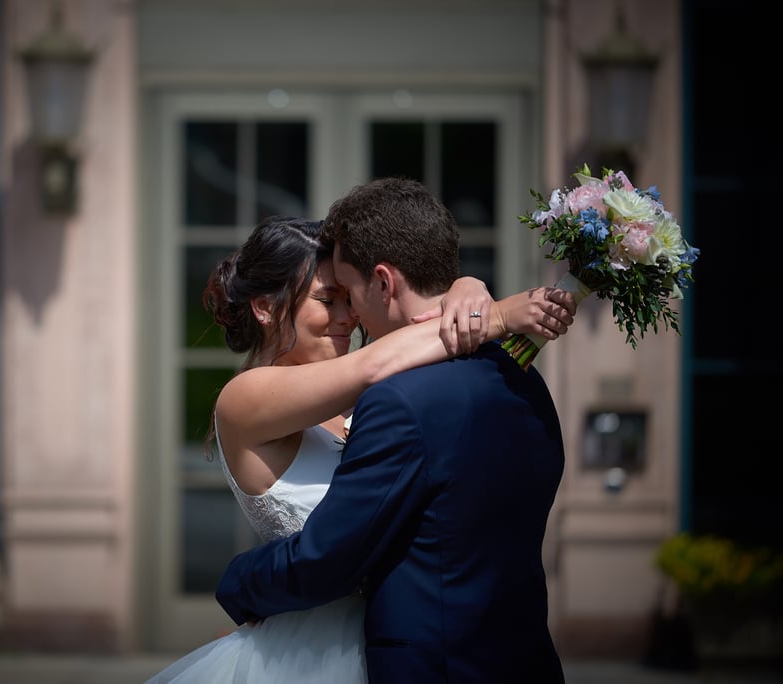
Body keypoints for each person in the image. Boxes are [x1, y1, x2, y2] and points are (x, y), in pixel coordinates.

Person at [147, 213, 575, 683]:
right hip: (312, 653)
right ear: (264, 308)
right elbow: (375, 365)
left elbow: (406, 336)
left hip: (407, 634)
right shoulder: (244, 397)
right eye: (326, 300)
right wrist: (494, 313)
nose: (348, 317)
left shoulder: (372, 380)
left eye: (348, 298)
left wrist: (465, 286)